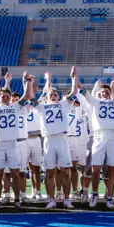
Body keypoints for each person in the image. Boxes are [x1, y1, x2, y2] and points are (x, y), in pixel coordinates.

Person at [77, 65, 114, 209]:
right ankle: (94, 194)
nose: (104, 93)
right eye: (102, 92)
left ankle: (110, 198)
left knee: (112, 169)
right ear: (99, 94)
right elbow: (83, 91)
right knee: (95, 168)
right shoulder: (95, 102)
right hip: (99, 137)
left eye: (107, 92)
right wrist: (75, 78)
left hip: (113, 138)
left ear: (111, 93)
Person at [31, 67, 77, 209]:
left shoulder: (64, 105)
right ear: (47, 96)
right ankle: (51, 199)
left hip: (62, 139)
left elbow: (74, 92)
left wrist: (74, 77)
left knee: (65, 171)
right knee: (50, 171)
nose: (53, 95)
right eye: (51, 94)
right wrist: (30, 82)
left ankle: (66, 199)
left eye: (55, 94)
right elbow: (32, 98)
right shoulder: (42, 107)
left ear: (59, 96)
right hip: (49, 140)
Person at [0, 72, 32, 210]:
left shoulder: (15, 107)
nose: (6, 98)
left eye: (8, 96)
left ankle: (17, 199)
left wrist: (26, 81)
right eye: (3, 96)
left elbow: (26, 96)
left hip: (13, 144)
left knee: (15, 173)